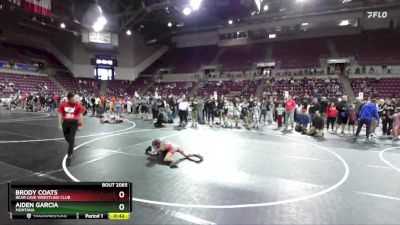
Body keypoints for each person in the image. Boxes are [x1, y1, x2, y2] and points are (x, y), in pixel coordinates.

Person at [58, 93, 84, 158]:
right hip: (65, 123)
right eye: (72, 100)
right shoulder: (63, 105)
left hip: (74, 123)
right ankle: (72, 144)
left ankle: (70, 154)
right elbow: (60, 115)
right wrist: (60, 124)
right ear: (68, 99)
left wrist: (80, 124)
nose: (74, 101)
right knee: (67, 138)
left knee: (71, 139)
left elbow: (80, 115)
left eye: (74, 99)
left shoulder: (78, 105)